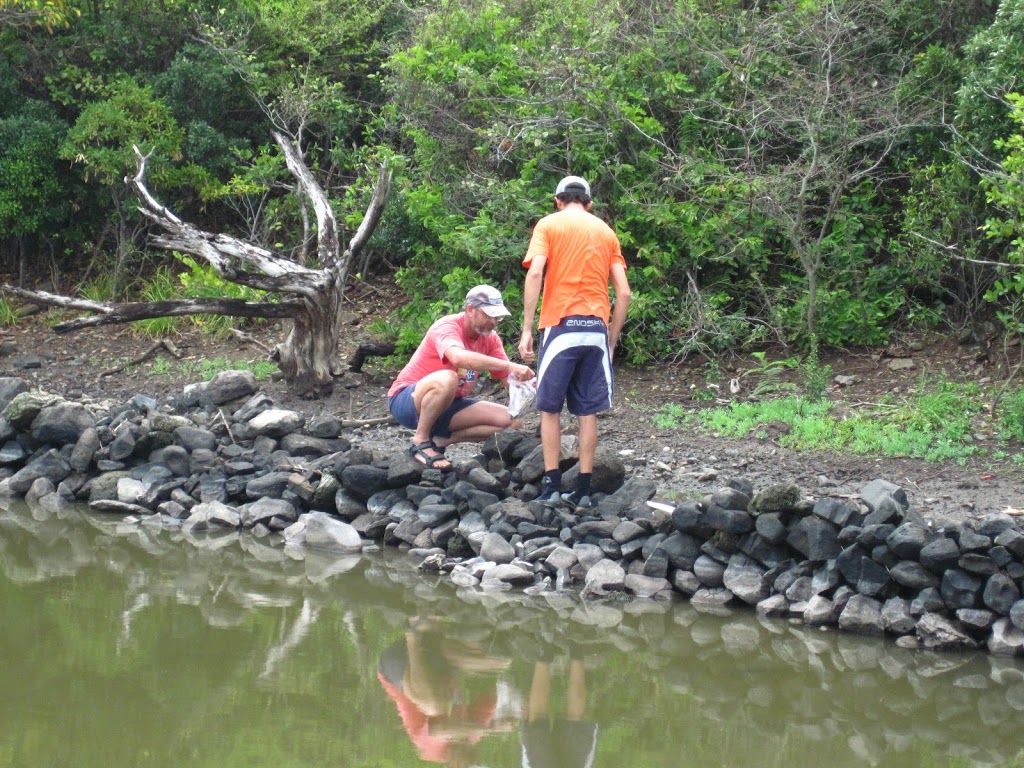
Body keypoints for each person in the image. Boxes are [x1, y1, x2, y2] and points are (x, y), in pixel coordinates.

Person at [518, 175, 631, 509]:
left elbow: (536, 272)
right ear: (589, 203)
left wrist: (526, 327)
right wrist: (611, 340)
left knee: (549, 408)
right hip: (595, 327)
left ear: (558, 200)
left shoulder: (548, 225)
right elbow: (623, 292)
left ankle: (552, 487)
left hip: (560, 324)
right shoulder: (606, 232)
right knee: (587, 412)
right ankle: (583, 491)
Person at [388, 284, 535, 471]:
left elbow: (509, 380)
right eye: (488, 315)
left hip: (450, 404)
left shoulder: (490, 338)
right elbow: (459, 358)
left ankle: (443, 440)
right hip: (407, 400)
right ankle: (420, 440)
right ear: (470, 310)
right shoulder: (446, 327)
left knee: (514, 422)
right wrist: (509, 365)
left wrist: (531, 388)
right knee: (449, 378)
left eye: (497, 317)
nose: (493, 321)